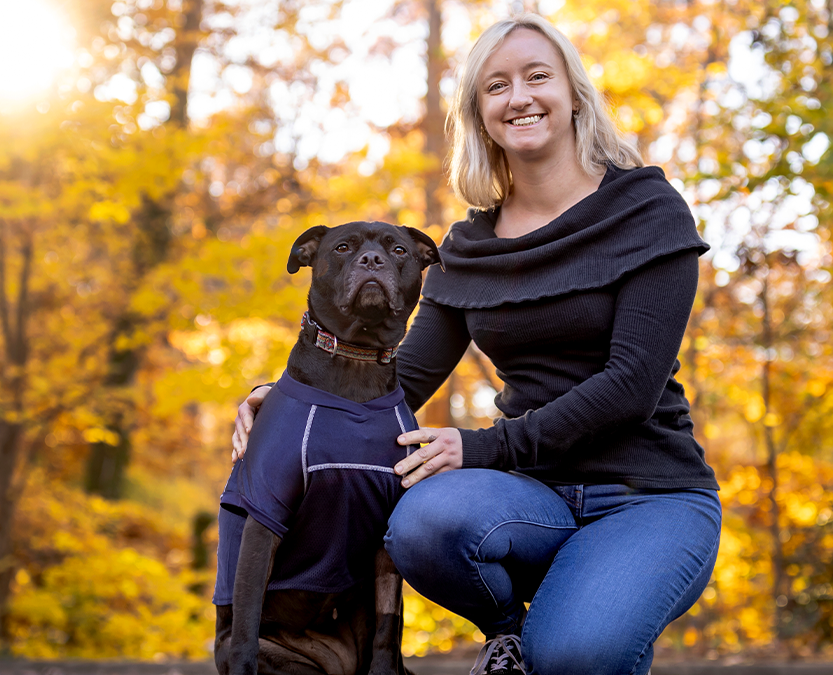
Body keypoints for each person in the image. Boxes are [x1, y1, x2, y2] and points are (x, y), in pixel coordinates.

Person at [231, 14, 720, 675]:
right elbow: (396, 381)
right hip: (529, 499)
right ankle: (507, 634)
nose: (519, 96)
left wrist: (479, 446)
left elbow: (630, 385)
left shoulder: (647, 210)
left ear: (574, 93)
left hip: (649, 494)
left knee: (576, 656)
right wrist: (288, 401)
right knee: (422, 520)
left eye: (537, 76)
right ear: (481, 113)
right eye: (497, 85)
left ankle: (573, 629)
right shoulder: (471, 247)